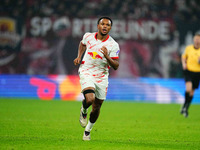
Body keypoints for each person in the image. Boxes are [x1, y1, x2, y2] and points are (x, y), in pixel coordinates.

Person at [73, 16, 120, 140]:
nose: (105, 26)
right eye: (102, 24)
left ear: (110, 28)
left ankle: (88, 130)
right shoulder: (88, 36)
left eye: (108, 25)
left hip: (102, 76)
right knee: (89, 99)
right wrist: (79, 56)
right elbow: (82, 44)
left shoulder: (113, 45)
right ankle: (83, 109)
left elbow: (116, 65)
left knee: (97, 107)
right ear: (98, 26)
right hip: (86, 71)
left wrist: (107, 56)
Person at [180, 33, 200, 117]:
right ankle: (185, 106)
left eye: (198, 39)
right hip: (188, 71)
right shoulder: (188, 48)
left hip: (197, 72)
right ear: (193, 39)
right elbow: (183, 57)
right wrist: (184, 64)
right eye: (196, 39)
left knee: (192, 92)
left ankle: (185, 108)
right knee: (188, 88)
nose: (197, 40)